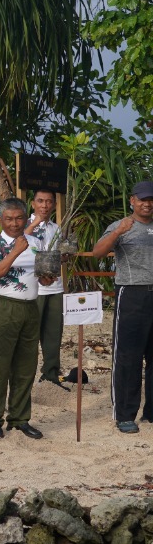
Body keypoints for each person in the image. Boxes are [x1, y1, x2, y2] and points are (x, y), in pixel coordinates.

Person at [0, 198, 54, 440]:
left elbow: (43, 276)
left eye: (19, 218)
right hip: (2, 307)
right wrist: (15, 251)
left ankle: (20, 418)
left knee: (26, 366)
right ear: (1, 220)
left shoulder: (37, 243)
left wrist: (46, 279)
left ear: (26, 218)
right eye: (9, 219)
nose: (14, 223)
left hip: (30, 307)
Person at [91, 180, 153, 434]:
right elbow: (97, 253)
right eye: (143, 199)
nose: (147, 204)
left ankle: (151, 413)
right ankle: (125, 414)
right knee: (128, 356)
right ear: (132, 201)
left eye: (151, 200)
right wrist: (118, 233)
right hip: (131, 294)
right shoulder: (120, 226)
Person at [26, 189, 67, 389]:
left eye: (49, 202)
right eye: (40, 201)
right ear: (33, 203)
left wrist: (64, 256)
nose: (44, 205)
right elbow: (19, 245)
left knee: (53, 334)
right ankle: (25, 376)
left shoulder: (56, 228)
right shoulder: (24, 225)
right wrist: (34, 224)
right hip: (34, 289)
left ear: (54, 205)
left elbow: (58, 255)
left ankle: (50, 375)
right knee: (30, 335)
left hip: (55, 288)